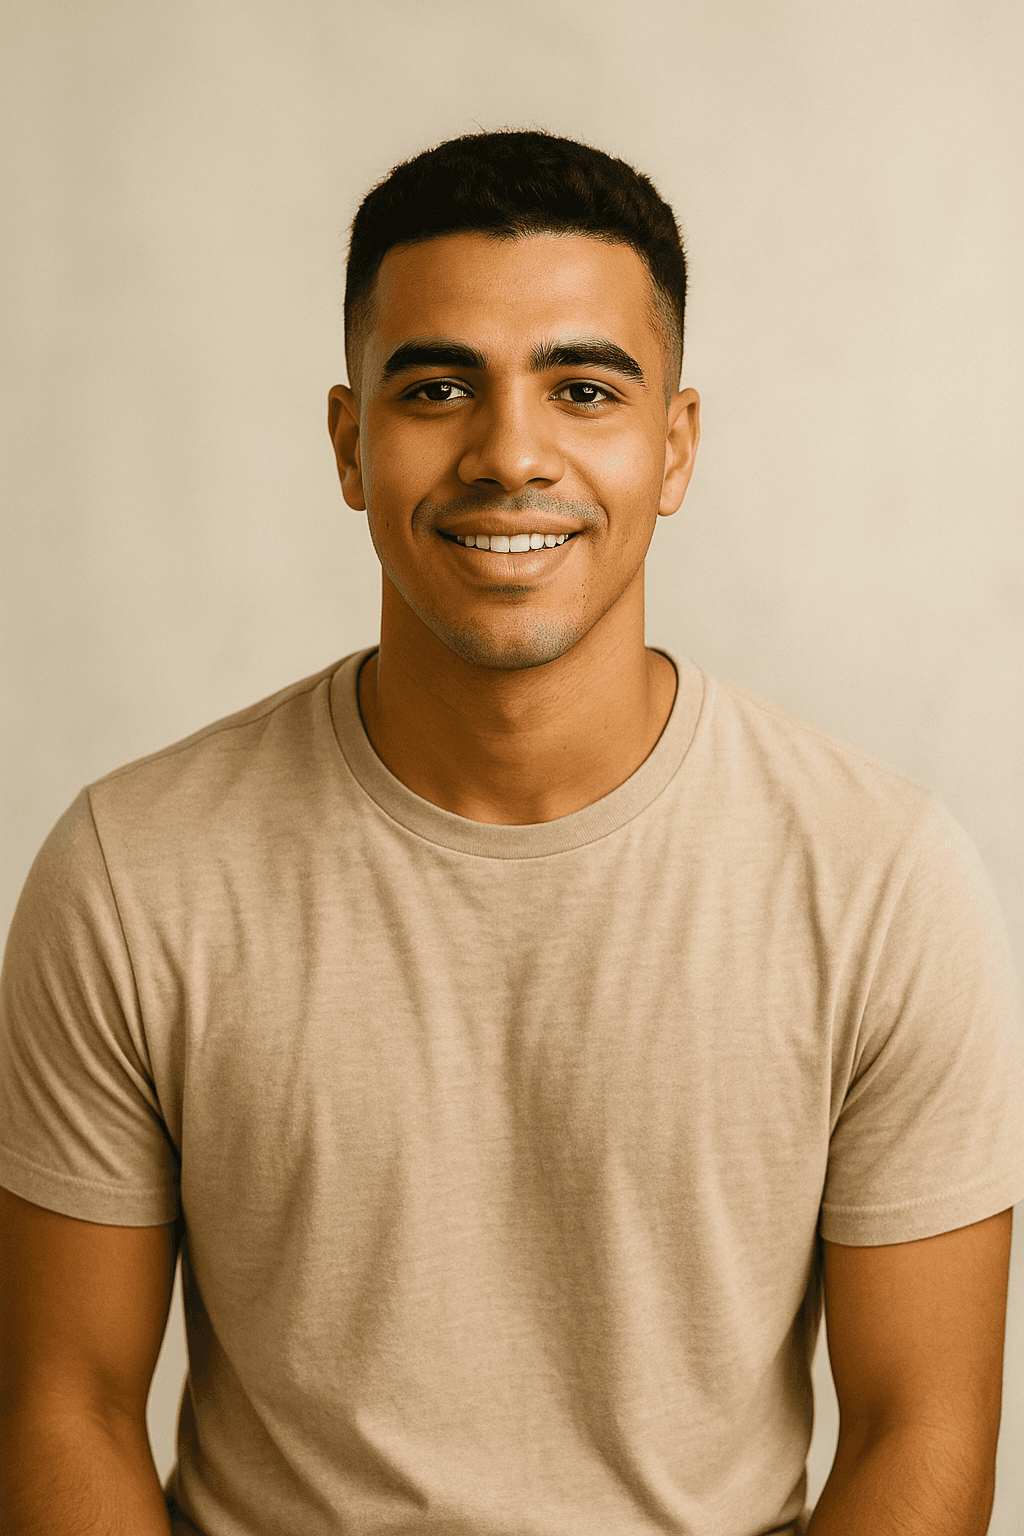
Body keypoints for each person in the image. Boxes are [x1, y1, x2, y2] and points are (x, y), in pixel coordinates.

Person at [1, 129, 1022, 1536]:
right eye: (437, 388)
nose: (508, 455)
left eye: (583, 388)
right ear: (352, 445)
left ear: (674, 449)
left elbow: (924, 1431)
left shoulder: (882, 882)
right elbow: (64, 1402)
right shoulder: (135, 871)